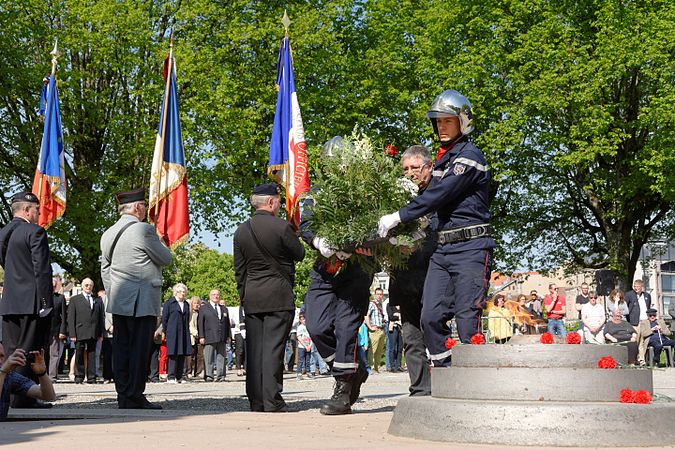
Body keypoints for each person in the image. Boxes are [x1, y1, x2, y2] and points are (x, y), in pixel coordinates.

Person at [377, 89, 495, 366]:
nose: (441, 127)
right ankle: (445, 373)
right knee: (429, 317)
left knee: (468, 320)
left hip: (471, 248)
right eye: (438, 121)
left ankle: (475, 384)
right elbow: (434, 206)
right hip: (443, 250)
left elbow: (439, 196)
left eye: (447, 121)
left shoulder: (469, 157)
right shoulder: (443, 160)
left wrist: (398, 216)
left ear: (462, 122)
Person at [300, 137, 373, 415]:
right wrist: (319, 241)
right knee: (317, 327)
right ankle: (354, 369)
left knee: (346, 329)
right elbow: (305, 224)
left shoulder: (364, 192)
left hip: (356, 270)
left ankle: (342, 390)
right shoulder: (316, 193)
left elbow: (377, 226)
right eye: (332, 164)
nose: (337, 169)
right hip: (325, 268)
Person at [234, 183, 305, 412]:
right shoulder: (282, 227)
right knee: (273, 348)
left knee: (254, 351)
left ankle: (256, 400)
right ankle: (272, 400)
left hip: (253, 297)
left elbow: (240, 270)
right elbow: (300, 254)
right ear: (272, 202)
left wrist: (244, 296)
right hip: (278, 295)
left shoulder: (241, 231)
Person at [100, 188, 172, 410]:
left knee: (121, 349)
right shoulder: (144, 230)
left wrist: (115, 293)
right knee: (140, 350)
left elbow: (105, 269)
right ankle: (135, 394)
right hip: (142, 301)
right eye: (144, 206)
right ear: (137, 207)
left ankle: (123, 394)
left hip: (120, 300)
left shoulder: (108, 233)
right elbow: (165, 258)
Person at [387, 145, 434, 395]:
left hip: (432, 273)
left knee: (434, 327)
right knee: (411, 335)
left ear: (428, 167)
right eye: (405, 169)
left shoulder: (439, 190)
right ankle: (419, 388)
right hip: (405, 277)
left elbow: (438, 226)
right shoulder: (396, 197)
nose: (409, 173)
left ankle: (444, 383)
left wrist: (417, 237)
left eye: (414, 168)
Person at [0, 192, 53, 407]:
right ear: (27, 210)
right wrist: (45, 302)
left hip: (10, 301)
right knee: (31, 350)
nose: (38, 214)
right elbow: (42, 270)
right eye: (36, 210)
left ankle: (9, 396)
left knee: (12, 351)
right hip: (30, 302)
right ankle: (23, 398)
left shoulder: (3, 233)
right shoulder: (35, 232)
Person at [0, 344, 55, 421]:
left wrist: (42, 374)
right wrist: (3, 372)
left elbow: (48, 396)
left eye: (2, 356)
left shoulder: (9, 376)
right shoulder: (4, 373)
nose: (0, 361)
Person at [68, 278, 105, 384]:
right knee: (79, 354)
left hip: (94, 332)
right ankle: (79, 376)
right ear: (82, 286)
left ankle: (92, 377)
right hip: (79, 331)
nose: (88, 287)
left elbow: (100, 317)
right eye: (86, 285)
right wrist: (72, 333)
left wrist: (101, 333)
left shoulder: (97, 300)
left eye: (90, 285)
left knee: (92, 355)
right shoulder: (75, 299)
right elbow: (71, 318)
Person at [198, 289, 230, 382]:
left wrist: (228, 336)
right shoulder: (204, 308)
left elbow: (227, 324)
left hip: (222, 336)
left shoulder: (224, 308)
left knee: (221, 357)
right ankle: (209, 375)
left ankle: (221, 376)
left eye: (217, 294)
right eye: (213, 294)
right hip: (209, 336)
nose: (216, 296)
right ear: (210, 296)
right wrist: (201, 336)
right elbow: (200, 323)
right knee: (209, 357)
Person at [162, 283, 192, 383]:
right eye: (180, 292)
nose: (182, 294)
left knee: (181, 353)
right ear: (176, 292)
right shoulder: (169, 303)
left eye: (184, 292)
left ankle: (180, 376)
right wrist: (165, 332)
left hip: (183, 332)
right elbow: (164, 319)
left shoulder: (187, 304)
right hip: (172, 332)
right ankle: (171, 376)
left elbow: (188, 318)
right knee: (173, 354)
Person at [48, 276, 67, 382]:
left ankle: (52, 376)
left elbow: (64, 316)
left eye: (54, 285)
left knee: (54, 354)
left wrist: (62, 331)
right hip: (42, 330)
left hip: (55, 330)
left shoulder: (60, 298)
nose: (53, 286)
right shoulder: (40, 296)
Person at [365, 288, 387, 374]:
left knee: (379, 351)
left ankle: (376, 368)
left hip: (381, 330)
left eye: (381, 294)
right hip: (375, 330)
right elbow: (366, 316)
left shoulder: (381, 305)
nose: (379, 296)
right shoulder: (372, 304)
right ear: (374, 294)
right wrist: (370, 327)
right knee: (372, 350)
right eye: (378, 294)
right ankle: (370, 367)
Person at [187, 296, 204, 379]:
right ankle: (189, 371)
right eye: (195, 303)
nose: (197, 305)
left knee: (200, 355)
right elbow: (189, 325)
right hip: (192, 336)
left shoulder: (201, 313)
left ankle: (198, 372)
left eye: (198, 303)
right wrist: (196, 333)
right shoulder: (189, 313)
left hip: (200, 336)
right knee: (190, 355)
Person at [99, 289, 114, 383]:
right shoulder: (104, 298)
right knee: (107, 355)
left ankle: (117, 376)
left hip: (120, 331)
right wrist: (108, 326)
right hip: (108, 332)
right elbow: (102, 315)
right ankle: (107, 376)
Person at [387, 303, 403, 372]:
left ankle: (398, 365)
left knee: (400, 347)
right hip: (393, 328)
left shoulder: (402, 306)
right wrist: (399, 316)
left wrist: (396, 315)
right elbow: (390, 316)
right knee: (392, 347)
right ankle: (392, 366)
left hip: (401, 328)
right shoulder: (389, 305)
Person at [296, 314, 313, 380]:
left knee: (308, 360)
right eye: (302, 319)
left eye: (305, 319)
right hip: (302, 346)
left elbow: (312, 337)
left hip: (309, 345)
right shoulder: (300, 327)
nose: (304, 320)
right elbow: (299, 337)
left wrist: (310, 345)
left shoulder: (309, 327)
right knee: (300, 360)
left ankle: (308, 372)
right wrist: (305, 346)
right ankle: (299, 373)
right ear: (300, 320)